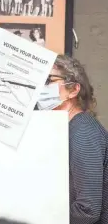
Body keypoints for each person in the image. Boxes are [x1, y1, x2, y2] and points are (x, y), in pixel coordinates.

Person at [37, 54, 108, 224]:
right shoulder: (65, 128)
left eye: (48, 80)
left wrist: (38, 215)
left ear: (74, 90)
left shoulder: (83, 130)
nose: (40, 86)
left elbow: (87, 210)